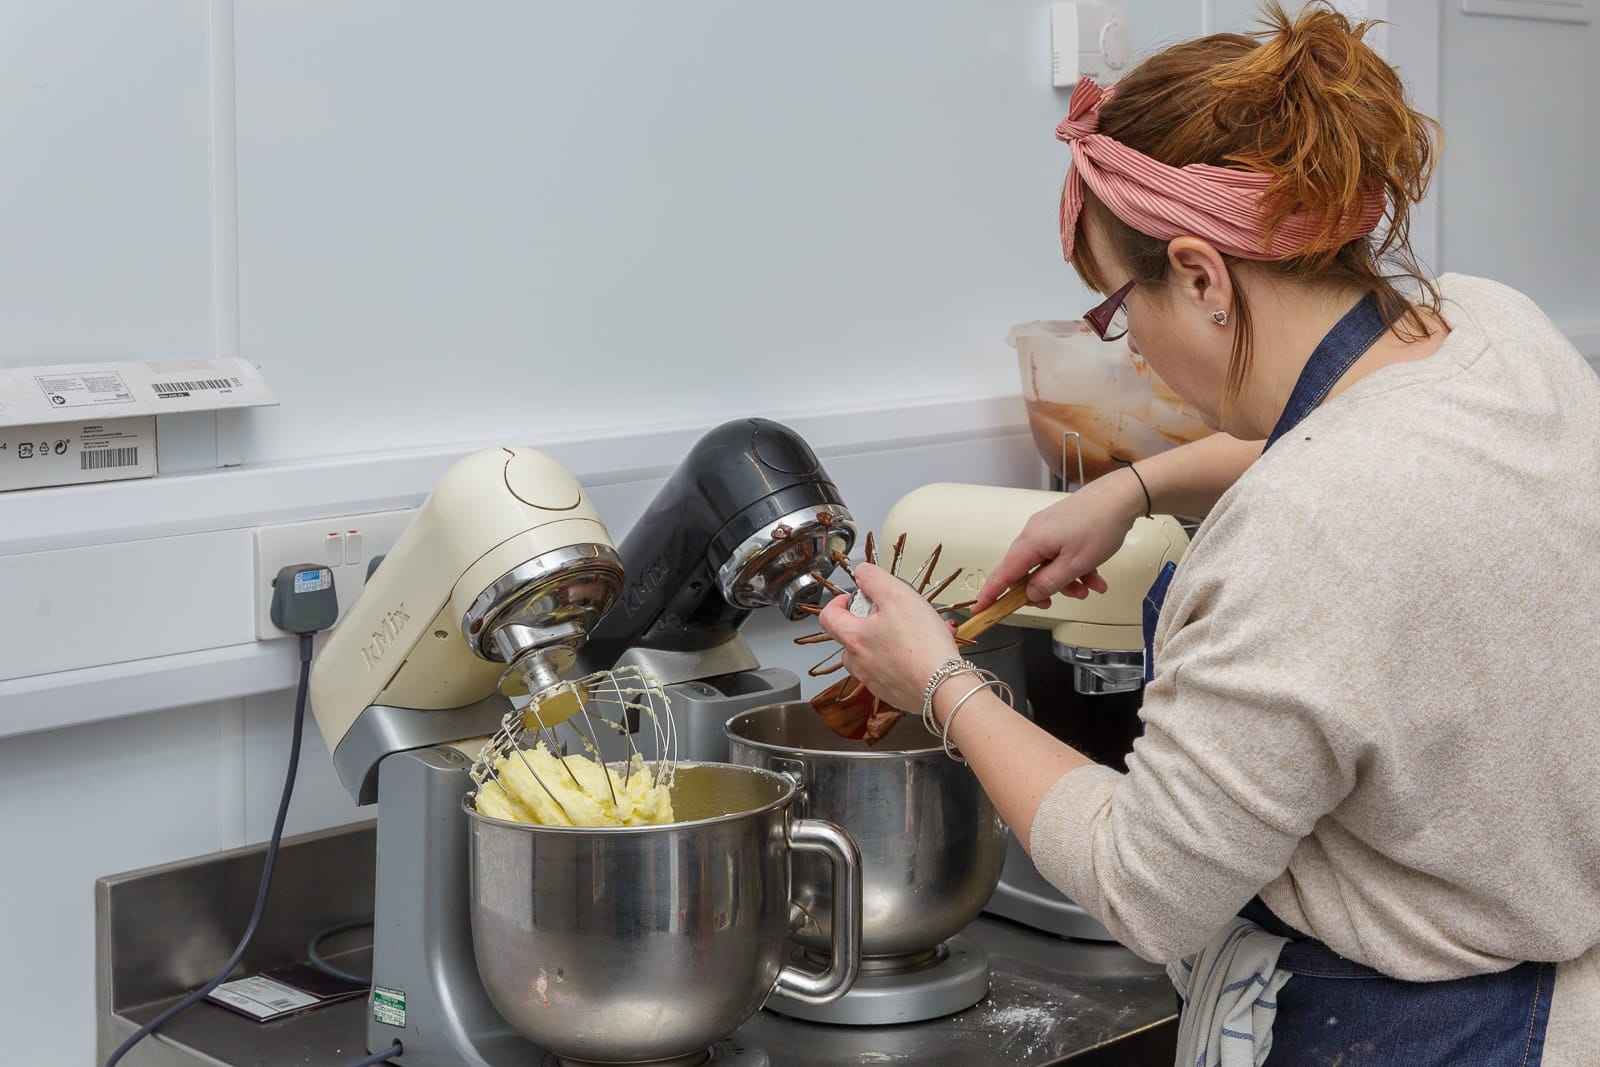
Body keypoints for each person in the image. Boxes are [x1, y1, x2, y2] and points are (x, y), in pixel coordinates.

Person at [816, 3, 1600, 1064]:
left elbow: (1148, 887)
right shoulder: (1487, 326)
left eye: (1112, 307)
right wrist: (1130, 490)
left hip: (1406, 1025)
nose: (1127, 348)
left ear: (1199, 275)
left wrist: (941, 682)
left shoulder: (1305, 531)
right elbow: (1367, 442)